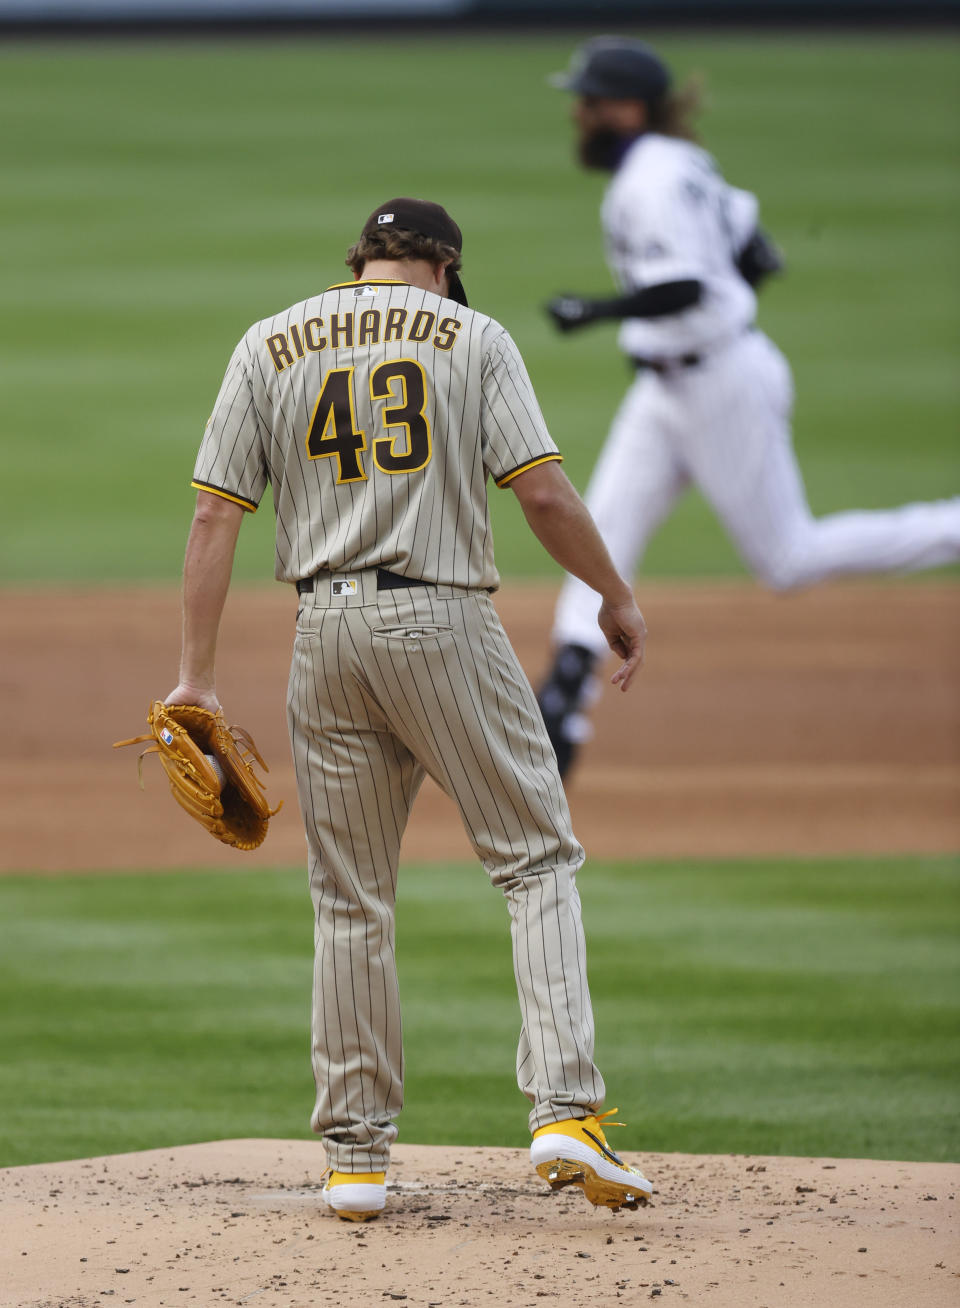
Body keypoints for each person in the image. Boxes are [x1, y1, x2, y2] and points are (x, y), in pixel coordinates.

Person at [164, 198, 653, 1221]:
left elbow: (216, 512)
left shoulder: (268, 340)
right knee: (535, 858)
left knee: (350, 896)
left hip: (321, 639)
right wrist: (613, 593)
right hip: (440, 625)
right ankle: (566, 1110)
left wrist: (196, 678)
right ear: (439, 265)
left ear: (361, 261)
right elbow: (547, 495)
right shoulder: (472, 337)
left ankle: (355, 1159)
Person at [537, 36, 960, 777]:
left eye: (591, 102)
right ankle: (565, 693)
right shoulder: (682, 163)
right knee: (599, 530)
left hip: (721, 384)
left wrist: (595, 310)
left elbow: (693, 287)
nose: (580, 114)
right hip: (670, 383)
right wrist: (712, 316)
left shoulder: (653, 180)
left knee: (788, 559)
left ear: (627, 108)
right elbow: (758, 253)